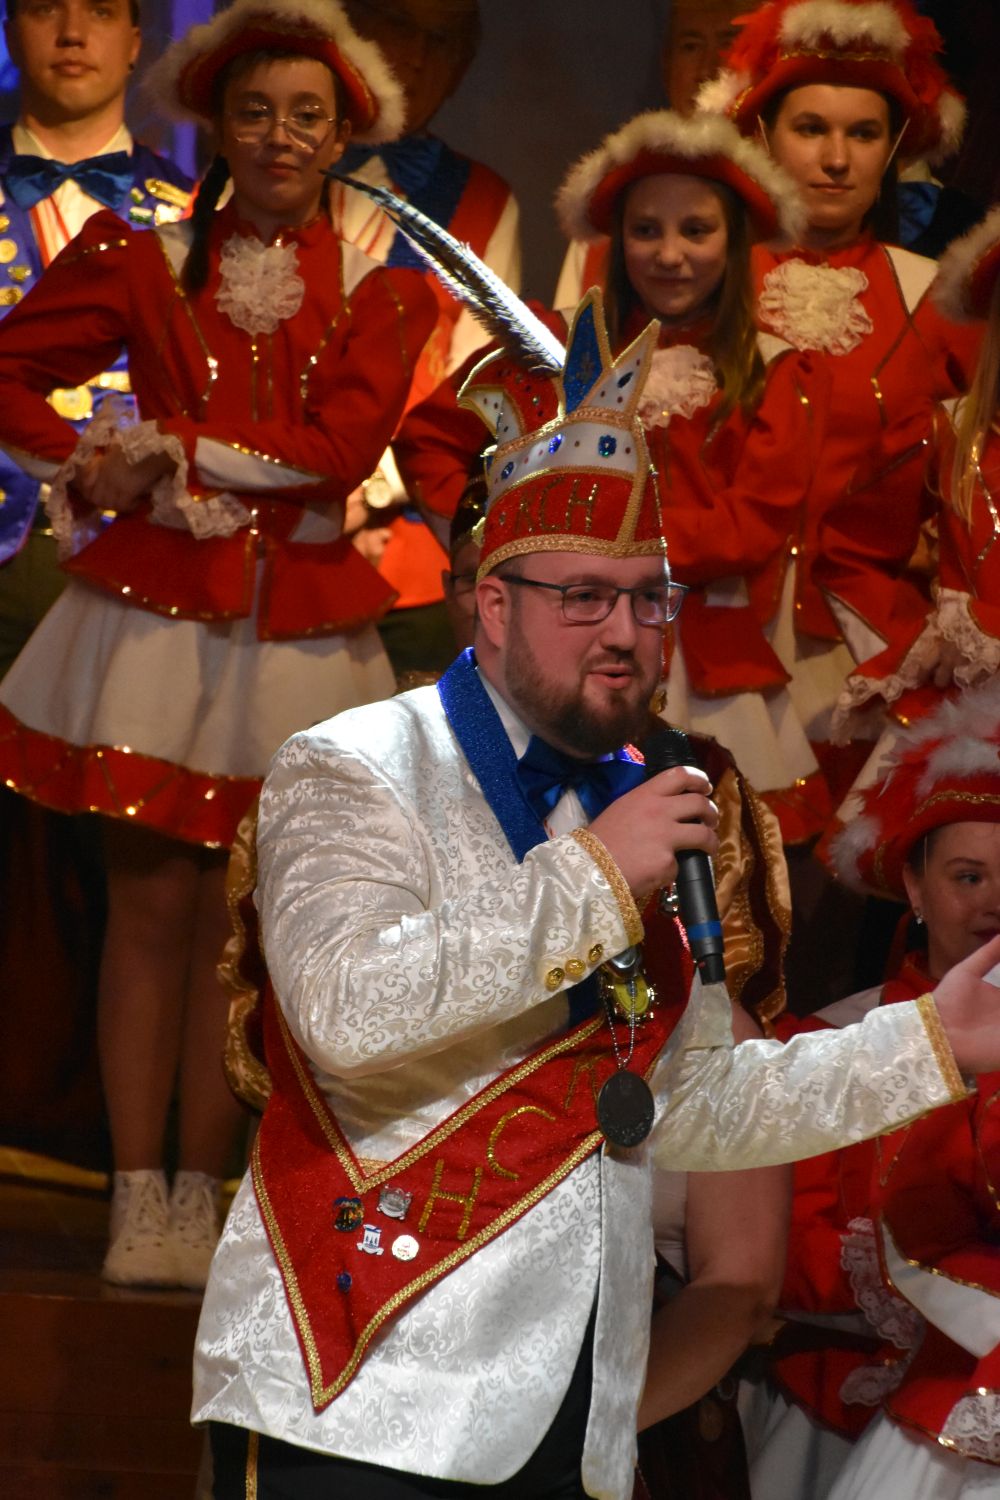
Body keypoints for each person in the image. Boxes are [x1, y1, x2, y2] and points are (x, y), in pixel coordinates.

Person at [193, 287, 1000, 1500]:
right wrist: (595, 874)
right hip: (356, 1383)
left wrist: (933, 1041)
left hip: (577, 1410)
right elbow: (349, 1014)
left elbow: (696, 1110)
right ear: (493, 606)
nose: (623, 631)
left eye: (647, 597)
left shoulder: (654, 793)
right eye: (582, 597)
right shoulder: (351, 767)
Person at [0, 0, 437, 1289]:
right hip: (153, 615)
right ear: (217, 126)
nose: (280, 136)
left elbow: (338, 455)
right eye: (256, 112)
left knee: (245, 925)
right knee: (146, 910)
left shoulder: (385, 286)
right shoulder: (145, 256)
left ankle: (209, 1189)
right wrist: (89, 462)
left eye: (307, 115)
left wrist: (171, 450)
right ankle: (138, 1198)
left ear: (342, 135)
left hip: (297, 629)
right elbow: (12, 368)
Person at [701, 0, 977, 796]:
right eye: (810, 129)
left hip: (870, 656)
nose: (835, 158)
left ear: (893, 148)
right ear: (762, 136)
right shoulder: (701, 281)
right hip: (709, 642)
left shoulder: (938, 297)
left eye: (862, 134)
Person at [329, 0, 521, 678]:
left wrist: (370, 489)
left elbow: (472, 393)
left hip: (413, 547)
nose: (414, 56)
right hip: (280, 525)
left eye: (440, 42)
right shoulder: (275, 175)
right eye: (400, 27)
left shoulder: (484, 200)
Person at [832, 207, 1000, 753]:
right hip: (959, 728)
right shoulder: (949, 436)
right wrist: (924, 638)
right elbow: (851, 553)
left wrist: (984, 625)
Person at [553, 0, 744, 310]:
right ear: (666, 66)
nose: (708, 70)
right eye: (691, 47)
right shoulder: (607, 212)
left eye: (729, 45)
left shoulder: (800, 212)